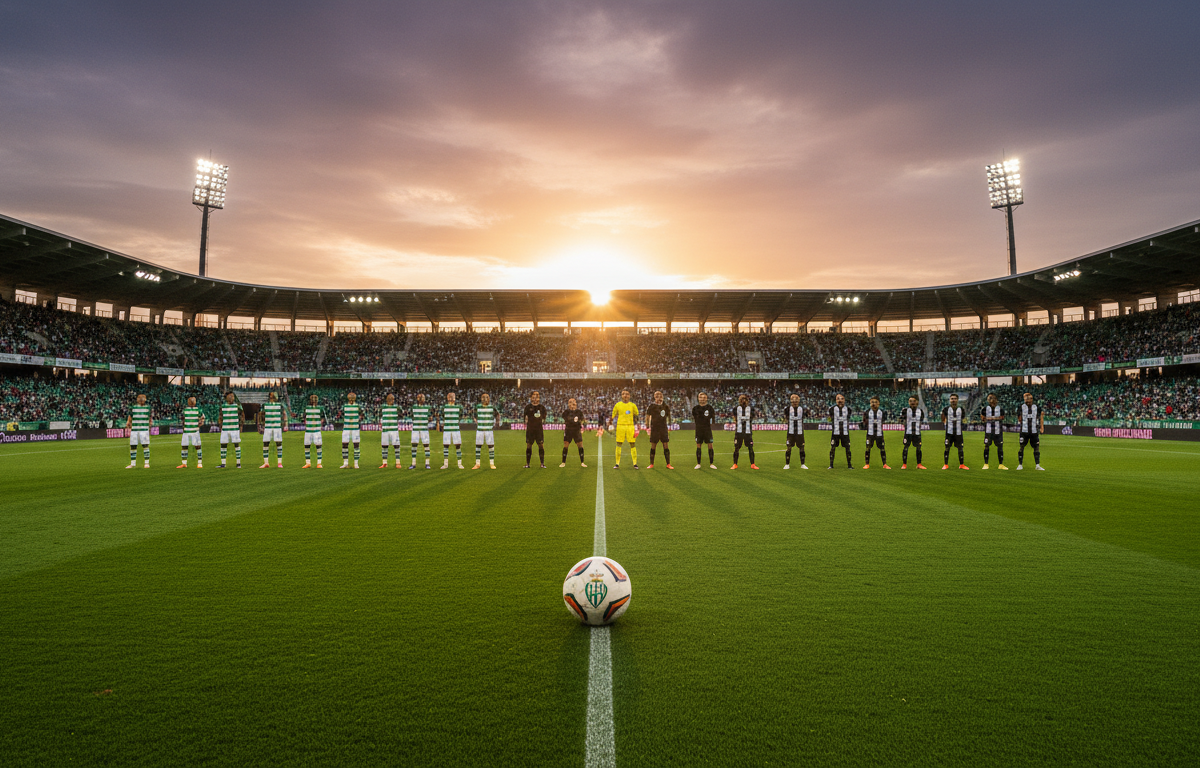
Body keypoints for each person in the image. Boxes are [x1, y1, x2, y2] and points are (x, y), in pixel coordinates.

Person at [611, 389, 639, 469]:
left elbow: (636, 416)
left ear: (629, 396)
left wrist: (637, 425)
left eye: (627, 394)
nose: (625, 395)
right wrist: (609, 424)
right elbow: (613, 415)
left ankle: (635, 463)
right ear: (621, 396)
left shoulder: (633, 405)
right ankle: (617, 464)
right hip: (620, 426)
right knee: (619, 443)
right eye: (623, 394)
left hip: (630, 426)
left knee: (632, 444)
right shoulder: (618, 405)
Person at [1017, 391, 1045, 471]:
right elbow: (1019, 418)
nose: (1028, 402)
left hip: (1034, 431)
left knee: (1036, 447)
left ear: (1031, 399)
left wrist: (1041, 427)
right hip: (1024, 431)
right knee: (1021, 447)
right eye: (1026, 400)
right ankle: (1020, 465)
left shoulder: (1037, 407)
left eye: (1029, 400)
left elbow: (1041, 417)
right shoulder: (1021, 407)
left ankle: (1037, 465)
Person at [645, 391, 673, 469]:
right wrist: (647, 425)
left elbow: (669, 415)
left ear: (662, 396)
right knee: (653, 445)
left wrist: (670, 423)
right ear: (654, 397)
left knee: (665, 445)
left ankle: (668, 464)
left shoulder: (665, 406)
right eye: (656, 395)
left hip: (663, 428)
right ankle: (651, 464)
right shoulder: (652, 406)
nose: (658, 396)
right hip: (654, 429)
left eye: (660, 395)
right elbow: (647, 416)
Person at [980, 393, 1007, 470]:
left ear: (996, 400)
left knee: (1000, 447)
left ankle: (1001, 464)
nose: (992, 400)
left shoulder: (1000, 409)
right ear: (988, 400)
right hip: (988, 431)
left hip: (998, 431)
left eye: (993, 398)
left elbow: (1002, 417)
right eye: (990, 398)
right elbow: (983, 419)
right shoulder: (984, 409)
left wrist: (990, 418)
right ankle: (986, 464)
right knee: (986, 446)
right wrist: (995, 418)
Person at [259, 391, 285, 469]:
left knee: (278, 444)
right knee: (266, 443)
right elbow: (261, 414)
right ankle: (266, 463)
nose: (273, 396)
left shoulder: (280, 405)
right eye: (271, 395)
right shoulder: (265, 405)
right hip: (268, 427)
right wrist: (261, 424)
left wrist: (285, 424)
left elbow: (284, 414)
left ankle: (279, 463)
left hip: (277, 427)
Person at [125, 393, 151, 469]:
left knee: (145, 445)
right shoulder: (133, 407)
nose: (141, 400)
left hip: (144, 429)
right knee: (133, 446)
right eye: (140, 399)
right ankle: (132, 463)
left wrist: (149, 425)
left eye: (142, 399)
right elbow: (130, 416)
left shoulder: (148, 408)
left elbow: (149, 417)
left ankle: (146, 463)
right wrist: (128, 422)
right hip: (134, 429)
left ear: (145, 400)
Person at [942, 393, 968, 470]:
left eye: (955, 399)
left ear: (957, 400)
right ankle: (945, 465)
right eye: (952, 399)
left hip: (958, 433)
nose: (953, 400)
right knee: (947, 448)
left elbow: (964, 419)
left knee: (960, 448)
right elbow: (943, 418)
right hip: (949, 433)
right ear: (950, 400)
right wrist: (946, 424)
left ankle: (962, 465)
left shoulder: (961, 409)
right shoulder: (946, 409)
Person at [692, 391, 718, 469]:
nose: (702, 399)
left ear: (706, 398)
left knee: (710, 445)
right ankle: (698, 463)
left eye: (704, 397)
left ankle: (711, 463)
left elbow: (712, 418)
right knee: (698, 445)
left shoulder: (710, 408)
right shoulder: (695, 409)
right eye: (700, 397)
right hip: (699, 430)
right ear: (698, 398)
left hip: (707, 430)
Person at [731, 393, 757, 469]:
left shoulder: (751, 409)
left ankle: (753, 464)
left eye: (745, 399)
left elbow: (752, 417)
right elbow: (734, 418)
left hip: (748, 432)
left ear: (747, 401)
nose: (743, 401)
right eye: (742, 399)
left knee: (750, 448)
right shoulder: (736, 409)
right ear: (739, 401)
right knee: (736, 448)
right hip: (739, 432)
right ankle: (735, 464)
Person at [177, 395, 204, 469]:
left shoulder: (198, 410)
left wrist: (200, 424)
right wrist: (200, 423)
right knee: (184, 446)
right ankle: (184, 464)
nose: (191, 402)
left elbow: (202, 418)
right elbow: (183, 419)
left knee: (197, 446)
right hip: (187, 431)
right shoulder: (186, 410)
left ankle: (199, 463)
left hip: (194, 431)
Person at [218, 391, 244, 469]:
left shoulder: (237, 406)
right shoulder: (223, 406)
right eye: (230, 396)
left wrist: (241, 425)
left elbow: (242, 415)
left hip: (234, 429)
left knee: (236, 444)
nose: (232, 398)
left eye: (232, 396)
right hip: (225, 429)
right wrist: (220, 425)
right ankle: (223, 464)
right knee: (223, 444)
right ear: (226, 398)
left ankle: (238, 463)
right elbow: (220, 416)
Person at [862, 395, 889, 469]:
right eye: (872, 402)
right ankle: (867, 464)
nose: (873, 404)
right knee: (868, 448)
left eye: (875, 402)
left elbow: (883, 420)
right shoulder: (867, 412)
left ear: (878, 403)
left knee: (882, 448)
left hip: (879, 434)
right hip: (870, 434)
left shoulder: (882, 412)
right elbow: (864, 421)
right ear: (870, 403)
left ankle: (885, 464)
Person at [298, 393, 325, 469]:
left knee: (318, 446)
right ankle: (308, 463)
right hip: (308, 430)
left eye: (315, 399)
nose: (314, 401)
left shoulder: (320, 408)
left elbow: (322, 418)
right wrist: (306, 422)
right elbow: (304, 417)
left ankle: (319, 463)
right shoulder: (306, 408)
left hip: (316, 430)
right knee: (307, 446)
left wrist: (319, 424)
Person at [827, 392, 853, 469]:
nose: (840, 400)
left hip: (845, 433)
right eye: (838, 399)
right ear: (836, 400)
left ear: (844, 400)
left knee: (848, 448)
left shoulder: (848, 409)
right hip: (835, 433)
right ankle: (831, 465)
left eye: (842, 399)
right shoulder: (832, 409)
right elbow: (831, 418)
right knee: (832, 448)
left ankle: (849, 465)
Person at [440, 391, 465, 469]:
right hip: (447, 429)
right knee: (446, 446)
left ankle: (459, 464)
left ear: (455, 398)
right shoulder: (444, 407)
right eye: (449, 396)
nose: (451, 397)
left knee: (458, 445)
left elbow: (460, 415)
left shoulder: (459, 407)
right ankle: (445, 464)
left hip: (455, 429)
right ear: (447, 398)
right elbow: (443, 415)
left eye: (452, 396)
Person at [560, 396, 587, 468]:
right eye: (570, 402)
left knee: (580, 445)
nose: (572, 403)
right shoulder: (566, 412)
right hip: (568, 430)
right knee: (566, 445)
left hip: (577, 431)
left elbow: (582, 420)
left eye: (573, 402)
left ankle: (582, 462)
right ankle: (563, 462)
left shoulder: (579, 412)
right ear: (568, 404)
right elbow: (565, 419)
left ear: (576, 403)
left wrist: (583, 427)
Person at [901, 395, 926, 469]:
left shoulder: (920, 411)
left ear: (917, 402)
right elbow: (901, 420)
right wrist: (905, 425)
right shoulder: (905, 410)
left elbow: (921, 421)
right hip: (908, 433)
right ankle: (904, 464)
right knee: (906, 448)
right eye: (910, 401)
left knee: (918, 448)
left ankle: (919, 464)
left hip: (917, 433)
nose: (912, 403)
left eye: (914, 401)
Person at [473, 392, 497, 469]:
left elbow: (497, 415)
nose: (485, 399)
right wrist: (477, 421)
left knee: (491, 446)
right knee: (478, 446)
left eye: (487, 398)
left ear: (489, 399)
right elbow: (474, 416)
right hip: (480, 430)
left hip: (489, 430)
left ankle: (492, 464)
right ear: (481, 399)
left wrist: (495, 424)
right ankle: (477, 464)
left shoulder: (492, 407)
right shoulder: (477, 407)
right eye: (483, 398)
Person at [783, 393, 807, 470]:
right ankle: (787, 464)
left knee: (802, 448)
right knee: (789, 448)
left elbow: (805, 416)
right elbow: (785, 418)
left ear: (798, 401)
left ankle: (803, 464)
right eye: (793, 400)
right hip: (790, 433)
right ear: (791, 401)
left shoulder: (802, 409)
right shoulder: (787, 409)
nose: (794, 402)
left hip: (800, 432)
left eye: (796, 400)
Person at [524, 391, 548, 468]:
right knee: (529, 445)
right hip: (530, 429)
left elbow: (544, 417)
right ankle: (527, 464)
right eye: (534, 396)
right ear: (531, 398)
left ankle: (542, 464)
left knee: (541, 445)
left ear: (539, 398)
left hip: (539, 430)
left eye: (537, 396)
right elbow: (525, 418)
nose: (535, 398)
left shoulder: (542, 407)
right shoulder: (528, 407)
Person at [340, 391, 362, 469]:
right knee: (344, 444)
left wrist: (358, 419)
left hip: (355, 428)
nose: (351, 398)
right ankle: (345, 463)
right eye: (350, 397)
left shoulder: (358, 406)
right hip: (346, 428)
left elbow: (362, 415)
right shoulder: (344, 406)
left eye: (353, 397)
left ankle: (356, 463)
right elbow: (340, 414)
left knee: (356, 445)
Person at [409, 393, 432, 469]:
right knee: (414, 446)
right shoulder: (413, 407)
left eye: (422, 398)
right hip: (416, 429)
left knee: (426, 445)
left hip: (424, 429)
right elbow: (412, 416)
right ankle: (413, 464)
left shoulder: (427, 408)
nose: (421, 399)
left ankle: (427, 463)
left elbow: (430, 417)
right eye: (420, 398)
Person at [379, 393, 401, 468]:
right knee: (384, 446)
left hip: (394, 429)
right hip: (385, 430)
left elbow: (401, 415)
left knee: (396, 446)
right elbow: (380, 416)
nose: (391, 400)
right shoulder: (383, 407)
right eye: (389, 399)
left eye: (392, 399)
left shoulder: (397, 407)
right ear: (387, 400)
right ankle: (384, 463)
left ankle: (398, 463)